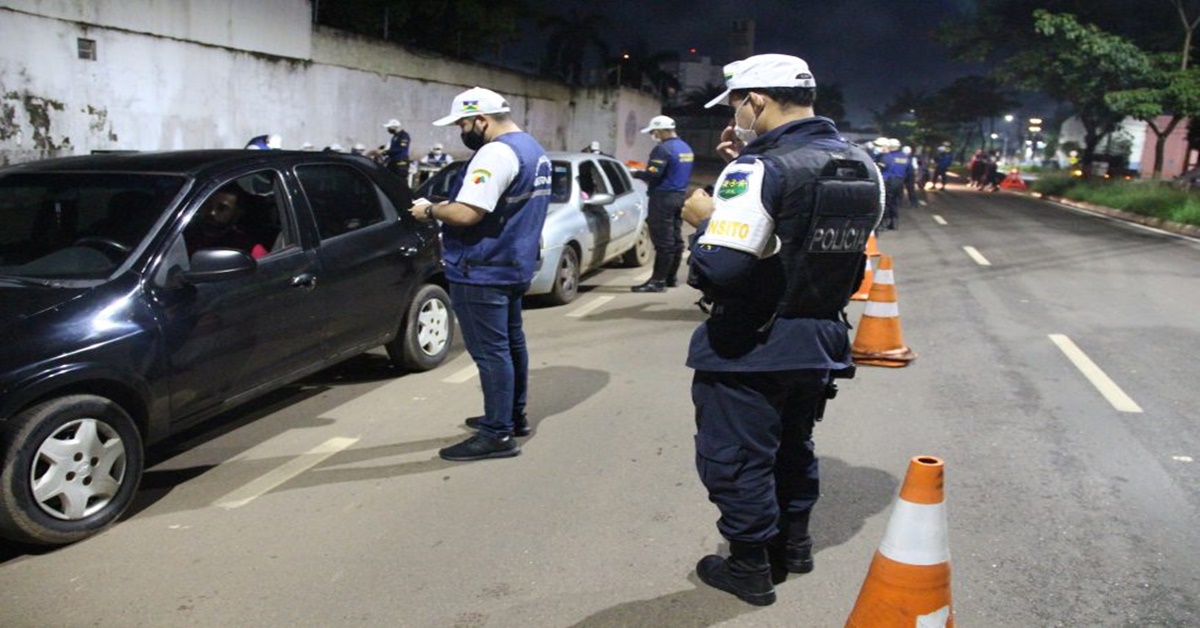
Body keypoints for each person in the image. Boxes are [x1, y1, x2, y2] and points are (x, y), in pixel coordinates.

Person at [680, 53, 883, 606]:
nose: (736, 116)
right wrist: (747, 164)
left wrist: (705, 219)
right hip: (818, 338)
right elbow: (801, 236)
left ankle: (748, 566)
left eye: (737, 105)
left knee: (737, 456)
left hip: (752, 343)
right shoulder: (862, 164)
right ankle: (793, 547)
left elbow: (724, 266)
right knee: (794, 446)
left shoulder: (758, 171)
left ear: (757, 101)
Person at [409, 87, 551, 462]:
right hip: (514, 263)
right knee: (510, 344)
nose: (462, 131)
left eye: (462, 124)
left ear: (481, 120)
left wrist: (430, 210)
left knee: (491, 353)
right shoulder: (533, 149)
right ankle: (510, 416)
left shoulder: (496, 153)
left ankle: (497, 434)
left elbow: (468, 213)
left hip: (483, 267)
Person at [630, 115, 694, 292]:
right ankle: (670, 278)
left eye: (653, 131)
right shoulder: (685, 148)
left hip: (663, 198)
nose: (653, 134)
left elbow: (654, 174)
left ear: (659, 130)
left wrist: (635, 173)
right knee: (675, 238)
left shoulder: (663, 149)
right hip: (679, 196)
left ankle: (657, 282)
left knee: (663, 242)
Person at [186, 185, 268, 259]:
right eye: (208, 204)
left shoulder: (249, 250)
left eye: (222, 208)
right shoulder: (182, 234)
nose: (212, 212)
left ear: (237, 212)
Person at [879, 138, 909, 230]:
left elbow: (882, 168)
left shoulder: (888, 157)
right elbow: (908, 170)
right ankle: (894, 222)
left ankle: (884, 223)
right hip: (900, 181)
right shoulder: (904, 157)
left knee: (886, 202)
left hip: (889, 181)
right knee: (894, 202)